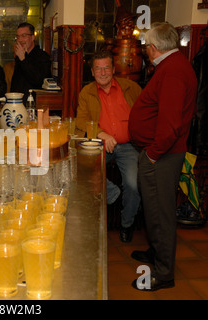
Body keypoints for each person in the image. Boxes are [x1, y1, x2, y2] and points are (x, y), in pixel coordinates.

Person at [129, 22, 197, 291]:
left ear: (153, 47)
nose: (146, 51)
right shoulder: (174, 65)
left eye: (146, 46)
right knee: (155, 210)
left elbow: (170, 126)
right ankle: (157, 253)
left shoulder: (172, 72)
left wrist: (153, 155)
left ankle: (163, 273)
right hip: (161, 152)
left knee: (161, 214)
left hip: (163, 155)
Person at [76, 51, 142, 243]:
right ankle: (111, 193)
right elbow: (80, 120)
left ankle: (127, 225)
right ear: (92, 71)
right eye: (98, 68)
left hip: (127, 146)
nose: (103, 72)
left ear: (113, 69)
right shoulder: (86, 92)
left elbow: (146, 111)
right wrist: (101, 134)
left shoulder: (131, 87)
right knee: (80, 170)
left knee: (133, 184)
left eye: (106, 68)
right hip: (98, 145)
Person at [10, 22, 51, 98]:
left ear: (32, 37)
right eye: (18, 37)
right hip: (17, 103)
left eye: (24, 36)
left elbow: (38, 80)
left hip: (33, 104)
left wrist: (23, 60)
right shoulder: (19, 56)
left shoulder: (42, 56)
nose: (20, 40)